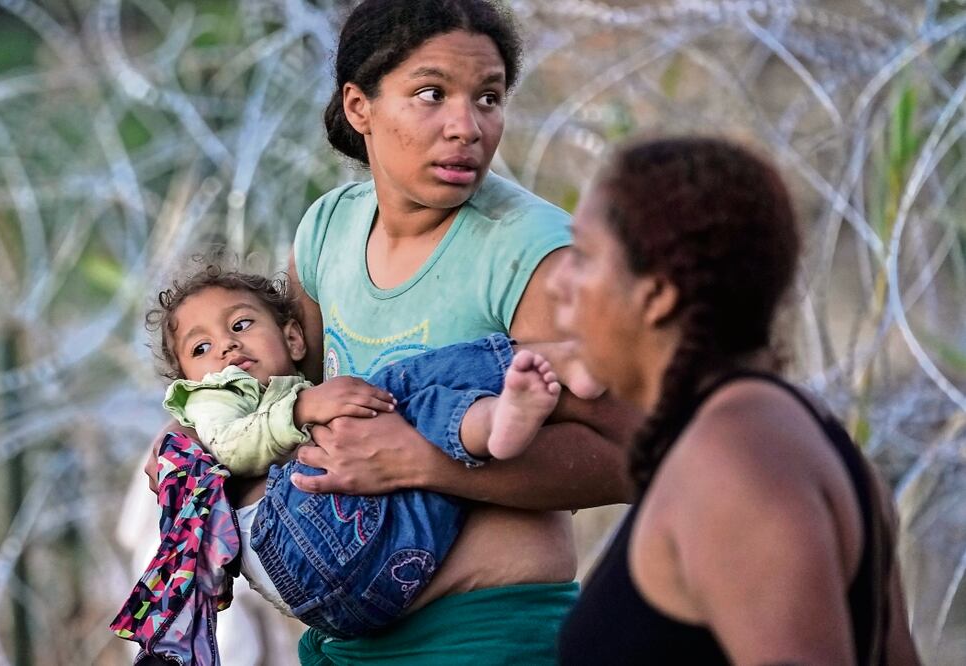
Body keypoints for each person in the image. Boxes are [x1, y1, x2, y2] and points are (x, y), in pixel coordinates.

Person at [143, 0, 635, 663]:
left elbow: (630, 458)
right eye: (432, 94)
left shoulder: (531, 251)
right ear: (360, 106)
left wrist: (424, 463)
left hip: (485, 633)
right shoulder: (328, 231)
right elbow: (286, 399)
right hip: (350, 636)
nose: (466, 127)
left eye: (488, 98)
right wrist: (195, 436)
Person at [552, 137, 919, 665]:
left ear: (657, 295)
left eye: (583, 257)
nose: (558, 284)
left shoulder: (735, 464)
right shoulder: (777, 434)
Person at [130, 264, 580, 641]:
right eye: (201, 348)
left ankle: (495, 423)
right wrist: (303, 408)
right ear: (188, 385)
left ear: (293, 340)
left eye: (241, 325)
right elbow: (231, 446)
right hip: (292, 539)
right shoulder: (215, 400)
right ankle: (537, 370)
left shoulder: (291, 392)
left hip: (365, 586)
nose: (226, 346)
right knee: (390, 390)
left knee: (409, 426)